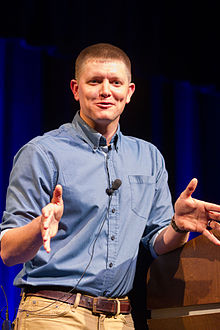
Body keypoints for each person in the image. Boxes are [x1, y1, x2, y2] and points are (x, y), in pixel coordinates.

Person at [1, 43, 220, 330]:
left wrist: (178, 226)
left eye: (115, 82)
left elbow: (156, 243)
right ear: (76, 89)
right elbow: (7, 252)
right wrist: (38, 227)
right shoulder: (42, 153)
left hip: (120, 318)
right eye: (95, 81)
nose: (106, 91)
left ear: (129, 92)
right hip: (53, 314)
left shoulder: (149, 157)